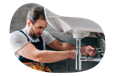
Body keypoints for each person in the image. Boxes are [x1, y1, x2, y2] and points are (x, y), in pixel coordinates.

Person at [9, 6, 98, 71]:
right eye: (40, 27)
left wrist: (84, 48)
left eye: (44, 28)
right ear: (29, 23)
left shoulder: (43, 35)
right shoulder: (16, 36)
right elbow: (37, 56)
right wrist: (69, 54)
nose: (42, 32)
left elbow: (61, 46)